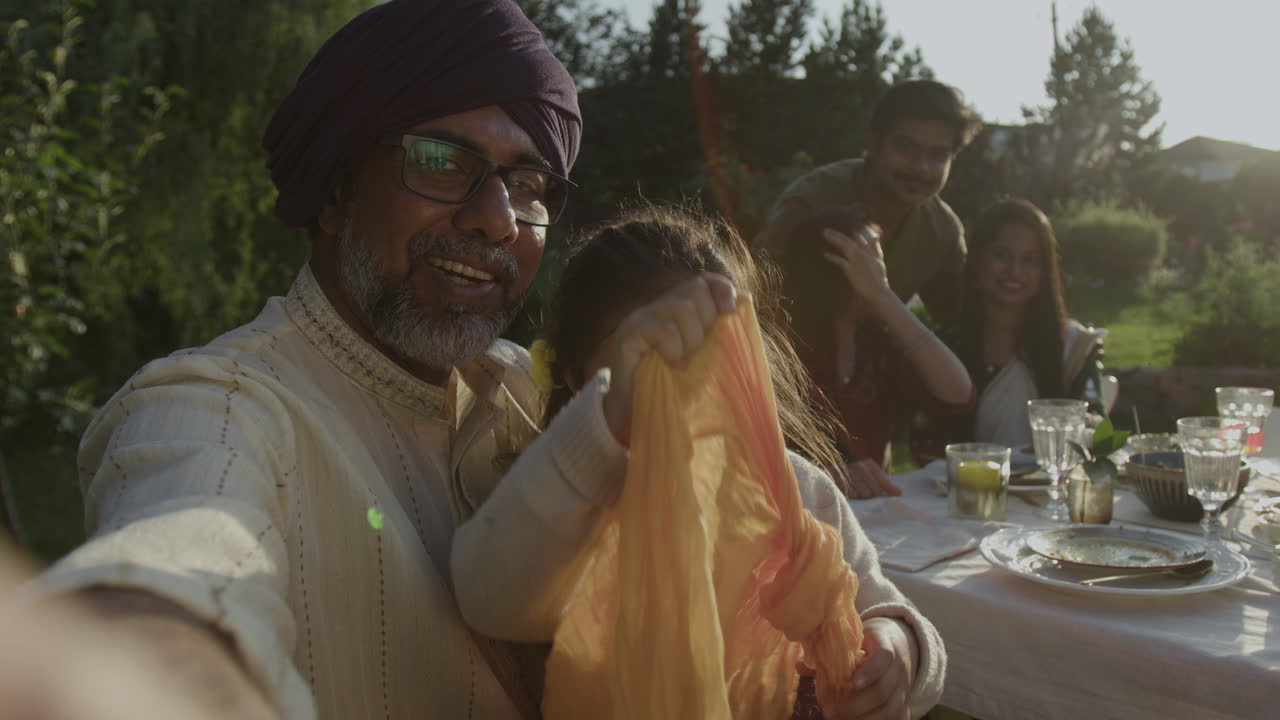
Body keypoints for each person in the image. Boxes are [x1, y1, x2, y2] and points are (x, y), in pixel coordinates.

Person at [32, 0, 592, 717]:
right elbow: (182, 552)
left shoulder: (528, 391)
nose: (499, 218)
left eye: (530, 184)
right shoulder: (219, 406)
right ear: (334, 191)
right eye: (441, 161)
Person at [450, 205, 946, 720]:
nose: (690, 373)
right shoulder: (569, 507)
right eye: (652, 355)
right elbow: (489, 601)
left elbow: (886, 607)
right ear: (582, 379)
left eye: (717, 347)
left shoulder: (799, 491)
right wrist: (604, 425)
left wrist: (899, 645)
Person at [772, 204, 974, 499]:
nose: (881, 274)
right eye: (870, 264)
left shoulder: (875, 341)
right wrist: (833, 472)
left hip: (871, 516)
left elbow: (959, 394)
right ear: (835, 270)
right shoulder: (780, 349)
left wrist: (884, 298)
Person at [754, 79, 983, 331]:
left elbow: (964, 322)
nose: (921, 168)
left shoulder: (943, 232)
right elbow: (753, 300)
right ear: (874, 143)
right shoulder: (811, 200)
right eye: (906, 148)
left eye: (938, 155)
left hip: (869, 362)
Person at [914, 197, 1108, 455]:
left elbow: (1097, 432)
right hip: (967, 490)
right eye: (1001, 256)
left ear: (1044, 272)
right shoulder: (948, 347)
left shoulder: (1073, 347)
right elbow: (926, 446)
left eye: (1030, 260)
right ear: (977, 263)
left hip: (1049, 488)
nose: (1015, 271)